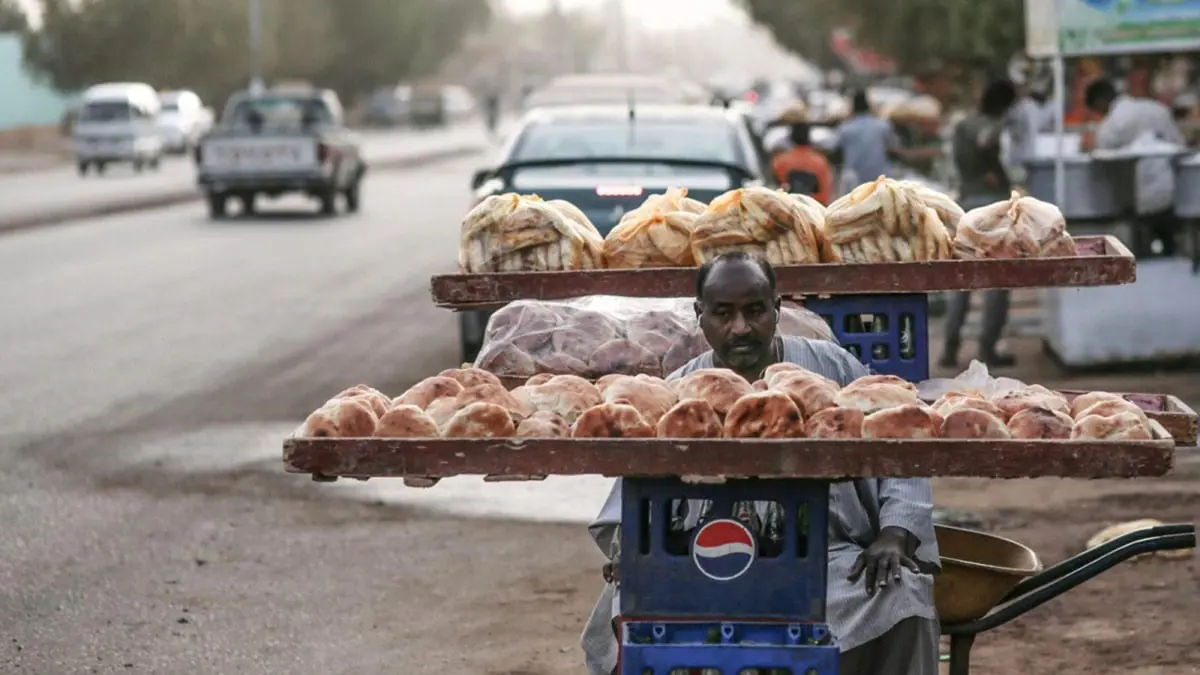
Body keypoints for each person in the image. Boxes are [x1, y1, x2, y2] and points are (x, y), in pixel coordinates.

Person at [580, 252, 941, 675]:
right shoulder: (675, 393)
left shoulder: (830, 367)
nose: (740, 328)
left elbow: (899, 448)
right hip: (701, 563)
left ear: (777, 308)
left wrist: (895, 533)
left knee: (904, 597)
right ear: (701, 315)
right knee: (632, 612)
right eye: (723, 313)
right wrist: (630, 551)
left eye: (754, 311)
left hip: (829, 561)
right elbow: (629, 502)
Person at [940, 78, 1020, 369]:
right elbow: (988, 141)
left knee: (960, 279)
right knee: (998, 278)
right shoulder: (990, 125)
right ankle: (988, 346)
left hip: (965, 205)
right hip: (993, 210)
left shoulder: (962, 124)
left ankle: (950, 347)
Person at [1082, 78, 1186, 257]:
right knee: (1170, 249)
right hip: (1171, 191)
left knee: (1142, 249)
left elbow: (1100, 148)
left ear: (1100, 102)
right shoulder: (1156, 108)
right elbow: (1178, 144)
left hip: (1138, 196)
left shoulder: (1114, 122)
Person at [829, 90, 935, 187]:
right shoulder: (882, 126)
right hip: (880, 178)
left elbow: (833, 148)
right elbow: (894, 147)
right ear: (869, 106)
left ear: (852, 108)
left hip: (855, 180)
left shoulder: (845, 128)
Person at [771, 122, 835, 205]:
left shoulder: (780, 161)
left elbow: (778, 189)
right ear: (809, 138)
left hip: (788, 207)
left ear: (791, 138)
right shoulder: (821, 162)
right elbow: (824, 195)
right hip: (814, 208)